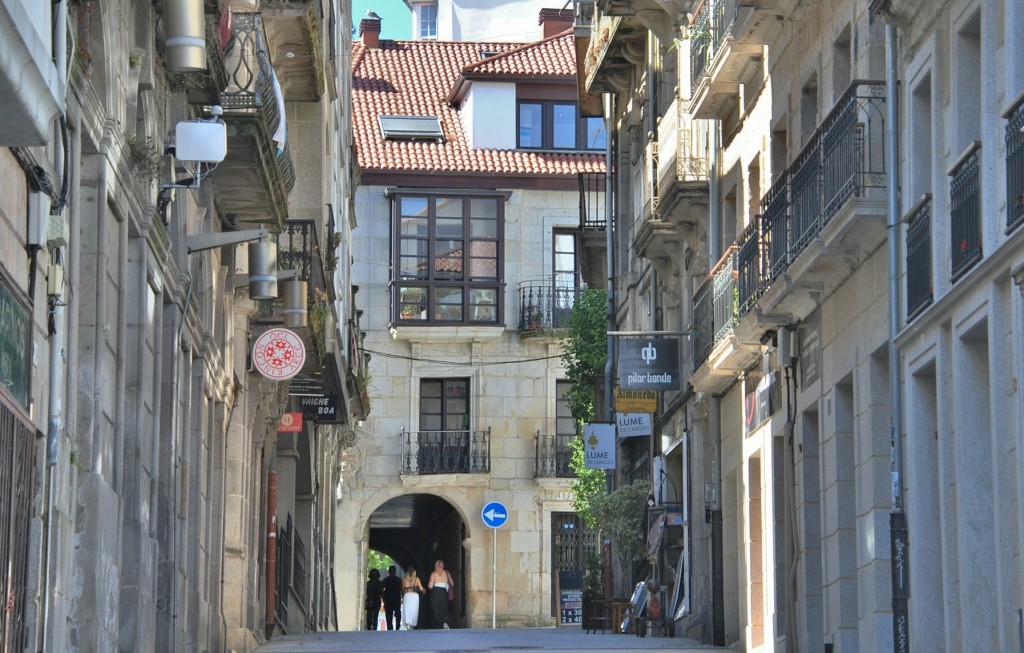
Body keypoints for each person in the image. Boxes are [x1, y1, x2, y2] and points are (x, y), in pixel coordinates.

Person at [427, 559, 454, 629]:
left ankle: (439, 624)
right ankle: (444, 622)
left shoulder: (433, 574)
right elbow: (452, 583)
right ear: (443, 565)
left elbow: (430, 586)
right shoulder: (447, 573)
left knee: (436, 609)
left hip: (435, 593)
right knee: (444, 609)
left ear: (436, 566)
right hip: (444, 592)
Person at [400, 565, 426, 630]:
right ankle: (412, 626)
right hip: (414, 596)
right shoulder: (416, 579)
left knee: (407, 611)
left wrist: (405, 595)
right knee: (414, 611)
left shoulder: (404, 579)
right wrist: (425, 590)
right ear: (414, 572)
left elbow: (403, 589)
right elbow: (421, 589)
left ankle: (407, 624)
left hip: (407, 595)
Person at [382, 565, 403, 630]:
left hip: (396, 600)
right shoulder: (386, 580)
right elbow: (382, 590)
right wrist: (384, 599)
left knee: (397, 615)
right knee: (389, 616)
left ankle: (397, 627)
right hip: (389, 600)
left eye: (393, 571)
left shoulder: (398, 580)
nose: (392, 572)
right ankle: (390, 629)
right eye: (391, 571)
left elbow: (402, 590)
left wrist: (402, 597)